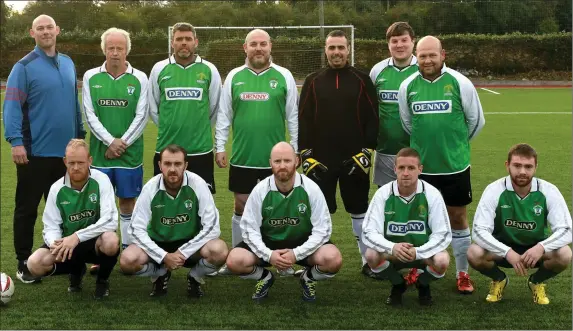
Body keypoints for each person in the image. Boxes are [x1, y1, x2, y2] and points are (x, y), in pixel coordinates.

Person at [398, 35, 485, 293]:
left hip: (454, 167)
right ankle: (421, 266)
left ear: (442, 55)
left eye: (432, 55)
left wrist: (455, 144)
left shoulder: (460, 82)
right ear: (416, 56)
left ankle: (462, 274)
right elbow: (408, 124)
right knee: (421, 222)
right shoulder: (408, 86)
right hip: (422, 170)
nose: (427, 60)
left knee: (457, 218)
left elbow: (476, 122)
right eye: (422, 55)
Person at [3, 14, 86, 284]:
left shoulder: (68, 63)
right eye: (40, 28)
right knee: (27, 209)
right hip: (34, 152)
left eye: (50, 27)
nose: (46, 31)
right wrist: (16, 141)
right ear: (32, 33)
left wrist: (80, 136)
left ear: (58, 30)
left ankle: (62, 256)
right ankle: (24, 261)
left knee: (64, 209)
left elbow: (74, 105)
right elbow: (12, 106)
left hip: (66, 156)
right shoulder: (23, 67)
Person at [214, 29, 298, 275]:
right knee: (241, 205)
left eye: (263, 44)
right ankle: (238, 257)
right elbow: (223, 115)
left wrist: (295, 148)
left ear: (270, 46)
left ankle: (282, 262)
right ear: (245, 48)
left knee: (279, 209)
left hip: (277, 160)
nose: (258, 48)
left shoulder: (284, 75)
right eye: (253, 44)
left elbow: (293, 115)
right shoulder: (234, 76)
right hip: (243, 156)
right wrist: (220, 147)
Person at [298, 30, 378, 277]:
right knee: (320, 214)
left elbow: (373, 118)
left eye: (340, 48)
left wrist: (366, 152)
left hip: (354, 159)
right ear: (325, 50)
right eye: (331, 48)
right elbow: (304, 119)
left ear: (348, 49)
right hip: (320, 160)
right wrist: (305, 155)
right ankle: (320, 258)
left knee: (359, 209)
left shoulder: (362, 79)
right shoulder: (313, 80)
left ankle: (367, 262)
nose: (336, 52)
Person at [226, 142, 342, 302]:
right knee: (234, 260)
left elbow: (323, 230)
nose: (282, 166)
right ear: (270, 163)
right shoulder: (260, 190)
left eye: (287, 161)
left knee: (333, 258)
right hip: (269, 244)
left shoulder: (311, 189)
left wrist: (296, 254)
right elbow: (248, 229)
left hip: (302, 245)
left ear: (296, 161)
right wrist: (269, 255)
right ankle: (265, 277)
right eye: (277, 161)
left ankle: (308, 278)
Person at [467, 143, 572, 305]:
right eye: (517, 165)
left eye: (528, 166)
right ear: (507, 165)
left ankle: (536, 281)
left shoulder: (548, 191)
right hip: (502, 249)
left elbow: (566, 230)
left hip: (535, 249)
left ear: (535, 167)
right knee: (474, 252)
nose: (522, 171)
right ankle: (499, 279)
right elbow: (479, 231)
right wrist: (507, 252)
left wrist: (541, 248)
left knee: (564, 254)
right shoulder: (494, 190)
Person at [119, 144, 228, 298]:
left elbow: (212, 227)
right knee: (127, 261)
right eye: (167, 164)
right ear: (160, 165)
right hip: (158, 242)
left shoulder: (198, 184)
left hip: (190, 244)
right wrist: (163, 256)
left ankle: (195, 276)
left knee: (219, 250)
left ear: (186, 165)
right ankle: (160, 273)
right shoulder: (150, 188)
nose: (172, 169)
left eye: (177, 164)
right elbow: (135, 230)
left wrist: (182, 252)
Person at [25, 139, 119, 300]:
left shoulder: (101, 180)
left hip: (94, 241)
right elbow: (50, 226)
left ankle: (102, 280)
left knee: (111, 240)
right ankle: (76, 270)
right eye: (71, 163)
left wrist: (77, 237)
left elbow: (110, 220)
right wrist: (55, 244)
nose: (75, 167)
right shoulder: (56, 188)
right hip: (67, 244)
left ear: (90, 160)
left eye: (81, 162)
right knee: (34, 264)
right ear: (64, 162)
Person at [82, 27, 148, 254]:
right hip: (100, 155)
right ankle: (101, 250)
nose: (115, 52)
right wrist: (110, 141)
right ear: (104, 50)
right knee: (101, 204)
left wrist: (122, 144)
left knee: (127, 202)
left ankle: (128, 247)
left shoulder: (140, 78)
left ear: (127, 50)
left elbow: (142, 116)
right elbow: (89, 115)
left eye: (120, 48)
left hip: (129, 155)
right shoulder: (91, 77)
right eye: (111, 48)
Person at [362, 147, 451, 306]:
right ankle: (398, 284)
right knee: (371, 256)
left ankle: (423, 283)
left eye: (411, 168)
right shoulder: (383, 194)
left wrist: (418, 252)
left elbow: (443, 234)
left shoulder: (431, 194)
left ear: (420, 169)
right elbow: (369, 232)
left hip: (422, 252)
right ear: (395, 169)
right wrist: (392, 247)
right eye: (401, 168)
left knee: (442, 260)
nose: (406, 173)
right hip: (393, 252)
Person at [149, 22, 221, 194]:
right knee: (164, 200)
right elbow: (153, 108)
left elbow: (214, 108)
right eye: (179, 39)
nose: (183, 43)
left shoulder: (209, 69)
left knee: (201, 202)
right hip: (166, 150)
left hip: (200, 150)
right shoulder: (159, 69)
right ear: (172, 42)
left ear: (195, 42)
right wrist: (171, 125)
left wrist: (197, 128)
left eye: (188, 39)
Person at [369, 22, 417, 188]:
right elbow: (370, 109)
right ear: (388, 44)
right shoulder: (377, 71)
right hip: (385, 149)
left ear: (413, 42)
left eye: (404, 40)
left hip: (416, 151)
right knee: (386, 198)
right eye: (394, 41)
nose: (399, 45)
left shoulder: (422, 70)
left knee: (416, 199)